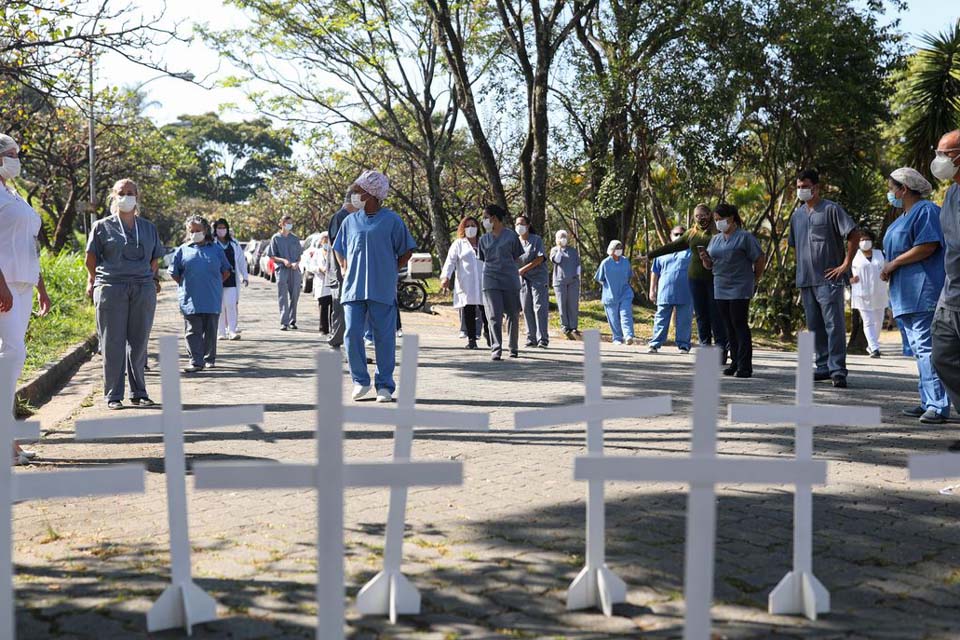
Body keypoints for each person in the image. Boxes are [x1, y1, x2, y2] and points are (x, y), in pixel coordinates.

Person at [333, 170, 416, 402]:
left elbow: (407, 250)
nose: (354, 195)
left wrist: (391, 270)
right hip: (353, 289)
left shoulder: (392, 220)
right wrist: (344, 267)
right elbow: (338, 247)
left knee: (384, 337)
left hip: (381, 288)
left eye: (358, 191)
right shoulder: (350, 221)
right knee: (351, 334)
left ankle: (385, 385)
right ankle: (360, 380)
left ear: (371, 194)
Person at [84, 178, 165, 410]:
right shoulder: (102, 226)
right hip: (111, 288)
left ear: (137, 197)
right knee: (112, 342)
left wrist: (151, 279)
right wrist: (98, 279)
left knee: (139, 342)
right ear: (113, 195)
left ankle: (139, 392)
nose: (126, 196)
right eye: (122, 192)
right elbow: (90, 259)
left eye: (131, 192)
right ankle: (113, 395)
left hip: (142, 288)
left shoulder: (148, 227)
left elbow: (154, 259)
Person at [881, 168, 949, 425]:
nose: (890, 193)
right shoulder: (901, 218)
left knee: (927, 349)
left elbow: (928, 245)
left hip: (923, 290)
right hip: (904, 295)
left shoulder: (927, 211)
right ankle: (926, 401)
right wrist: (889, 267)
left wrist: (894, 263)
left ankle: (938, 405)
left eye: (892, 188)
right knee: (917, 350)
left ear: (904, 189)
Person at [0, 133, 51, 464]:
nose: (17, 159)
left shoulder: (11, 192)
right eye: (12, 154)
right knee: (11, 357)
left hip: (22, 284)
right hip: (4, 287)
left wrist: (40, 284)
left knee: (12, 361)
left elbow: (29, 243)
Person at [789, 169, 860, 388]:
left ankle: (838, 370)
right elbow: (795, 245)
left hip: (829, 278)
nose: (801, 190)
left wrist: (846, 264)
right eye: (799, 187)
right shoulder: (797, 215)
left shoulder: (831, 209)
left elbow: (854, 234)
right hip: (806, 280)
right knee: (815, 326)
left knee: (834, 325)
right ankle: (823, 367)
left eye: (805, 186)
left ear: (816, 187)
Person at [649, 204, 727, 354]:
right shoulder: (691, 234)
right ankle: (705, 347)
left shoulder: (718, 232)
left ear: (710, 215)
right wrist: (650, 255)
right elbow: (670, 249)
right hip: (693, 282)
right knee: (701, 317)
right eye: (697, 216)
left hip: (712, 280)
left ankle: (720, 348)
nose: (701, 219)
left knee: (715, 315)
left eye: (703, 215)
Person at [698, 203, 765, 378]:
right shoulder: (716, 239)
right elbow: (710, 265)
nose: (718, 223)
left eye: (721, 219)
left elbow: (759, 258)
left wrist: (755, 278)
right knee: (727, 326)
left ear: (732, 218)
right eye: (716, 220)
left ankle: (744, 365)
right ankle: (734, 361)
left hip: (740, 286)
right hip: (720, 285)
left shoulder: (745, 237)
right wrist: (705, 259)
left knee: (739, 323)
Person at [168, 217, 232, 373]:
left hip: (211, 298)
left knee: (211, 331)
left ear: (206, 231)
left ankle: (209, 358)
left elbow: (226, 271)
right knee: (192, 331)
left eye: (198, 230)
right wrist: (186, 284)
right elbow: (174, 273)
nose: (195, 233)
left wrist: (214, 283)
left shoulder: (216, 249)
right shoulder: (182, 249)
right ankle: (196, 361)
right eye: (192, 231)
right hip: (190, 298)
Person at [931, 130, 960, 446]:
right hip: (951, 294)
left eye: (945, 153)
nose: (939, 160)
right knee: (942, 355)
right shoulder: (951, 195)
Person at [478, 204, 523, 361]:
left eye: (485, 217)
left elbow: (517, 257)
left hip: (509, 279)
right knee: (494, 315)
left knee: (512, 314)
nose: (484, 221)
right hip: (490, 279)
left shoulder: (511, 236)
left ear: (494, 218)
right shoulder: (483, 239)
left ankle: (513, 347)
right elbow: (483, 259)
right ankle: (496, 348)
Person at [441, 216, 489, 350]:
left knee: (486, 310)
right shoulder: (458, 244)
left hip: (484, 280)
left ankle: (489, 334)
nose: (470, 228)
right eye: (467, 226)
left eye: (473, 225)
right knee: (468, 310)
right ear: (463, 228)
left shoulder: (484, 242)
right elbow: (450, 262)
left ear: (478, 228)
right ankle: (472, 339)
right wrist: (446, 277)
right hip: (466, 282)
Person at [647, 225, 693, 354]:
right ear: (671, 236)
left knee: (684, 321)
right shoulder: (662, 252)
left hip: (686, 292)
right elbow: (655, 272)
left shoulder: (692, 252)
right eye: (676, 234)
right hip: (665, 292)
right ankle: (655, 344)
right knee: (661, 319)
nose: (679, 236)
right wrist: (652, 290)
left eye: (682, 234)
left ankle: (683, 345)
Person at [324, 189, 359, 351]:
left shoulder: (355, 217)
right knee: (339, 306)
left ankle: (347, 341)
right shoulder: (339, 217)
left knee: (349, 308)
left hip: (352, 270)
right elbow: (337, 245)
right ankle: (336, 339)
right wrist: (344, 266)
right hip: (340, 271)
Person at [850, 229, 888, 358]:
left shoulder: (880, 254)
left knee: (878, 321)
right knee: (868, 321)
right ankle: (874, 348)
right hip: (861, 293)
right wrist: (849, 280)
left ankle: (872, 345)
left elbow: (887, 267)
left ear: (872, 240)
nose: (864, 242)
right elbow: (845, 272)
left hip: (879, 292)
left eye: (866, 239)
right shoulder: (853, 255)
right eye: (861, 240)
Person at [516, 215, 550, 348]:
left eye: (522, 223)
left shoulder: (536, 240)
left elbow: (540, 258)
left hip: (538, 278)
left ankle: (543, 339)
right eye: (517, 224)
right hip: (523, 279)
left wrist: (523, 269)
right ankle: (531, 338)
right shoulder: (515, 242)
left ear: (528, 225)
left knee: (539, 307)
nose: (519, 226)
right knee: (526, 307)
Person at [213, 218, 248, 341]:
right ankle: (221, 332)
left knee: (231, 305)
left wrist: (245, 276)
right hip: (216, 279)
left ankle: (232, 331)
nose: (221, 230)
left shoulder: (234, 243)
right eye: (219, 228)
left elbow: (241, 261)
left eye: (223, 228)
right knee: (219, 307)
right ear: (215, 229)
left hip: (232, 279)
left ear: (227, 229)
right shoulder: (212, 243)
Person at [594, 240, 635, 345]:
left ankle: (628, 335)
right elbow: (599, 278)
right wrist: (608, 286)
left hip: (625, 293)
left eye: (620, 247)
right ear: (611, 250)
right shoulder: (605, 263)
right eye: (617, 248)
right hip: (610, 295)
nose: (619, 250)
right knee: (613, 318)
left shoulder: (625, 261)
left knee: (626, 314)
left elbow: (630, 275)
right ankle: (617, 338)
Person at [267, 215, 302, 330]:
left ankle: (293, 320)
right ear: (281, 224)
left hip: (294, 270)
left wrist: (296, 263)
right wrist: (283, 260)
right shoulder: (276, 238)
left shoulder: (295, 239)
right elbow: (272, 255)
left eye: (291, 223)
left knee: (295, 295)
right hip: (282, 270)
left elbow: (299, 256)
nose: (289, 225)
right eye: (287, 223)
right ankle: (284, 322)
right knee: (283, 296)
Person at [550, 229, 581, 339]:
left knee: (573, 304)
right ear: (557, 239)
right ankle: (565, 326)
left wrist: (577, 276)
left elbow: (578, 265)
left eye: (564, 237)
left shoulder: (572, 251)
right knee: (562, 304)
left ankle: (573, 326)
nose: (563, 239)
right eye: (560, 237)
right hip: (559, 282)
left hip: (573, 281)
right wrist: (559, 248)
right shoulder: (554, 250)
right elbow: (557, 260)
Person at [310, 232, 334, 335]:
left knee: (333, 308)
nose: (326, 242)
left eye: (327, 240)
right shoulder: (317, 253)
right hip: (321, 283)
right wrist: (319, 269)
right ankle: (323, 329)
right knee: (323, 307)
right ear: (321, 241)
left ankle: (334, 328)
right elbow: (311, 266)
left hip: (332, 283)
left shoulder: (333, 252)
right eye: (324, 240)